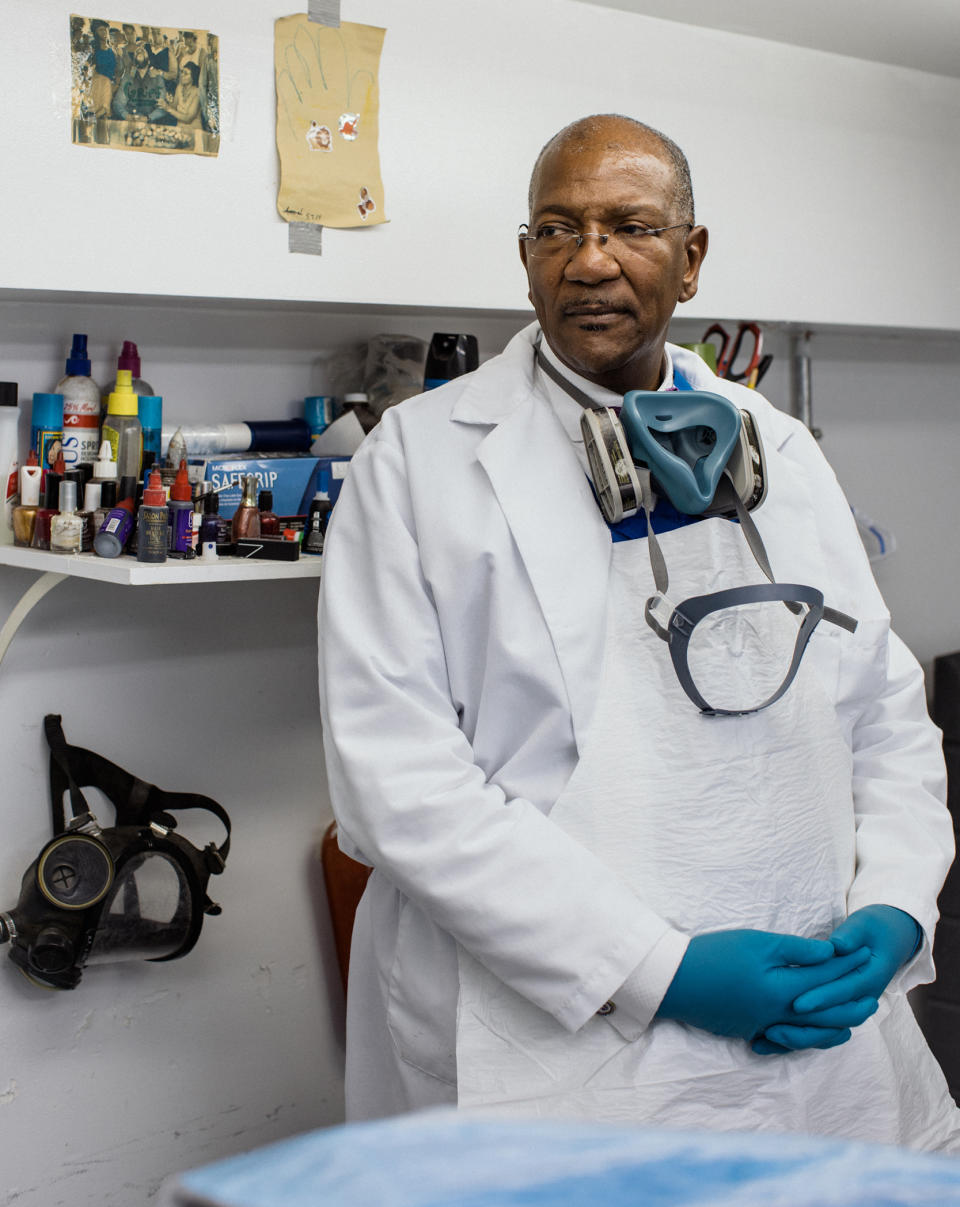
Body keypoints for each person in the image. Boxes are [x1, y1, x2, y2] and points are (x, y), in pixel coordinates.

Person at [317, 114, 960, 1148]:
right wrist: (657, 968)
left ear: (692, 257)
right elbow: (398, 784)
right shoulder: (418, 464)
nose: (591, 261)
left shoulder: (784, 454)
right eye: (557, 230)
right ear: (526, 257)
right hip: (548, 1031)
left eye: (631, 227)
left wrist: (895, 905)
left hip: (808, 1020)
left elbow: (881, 710)